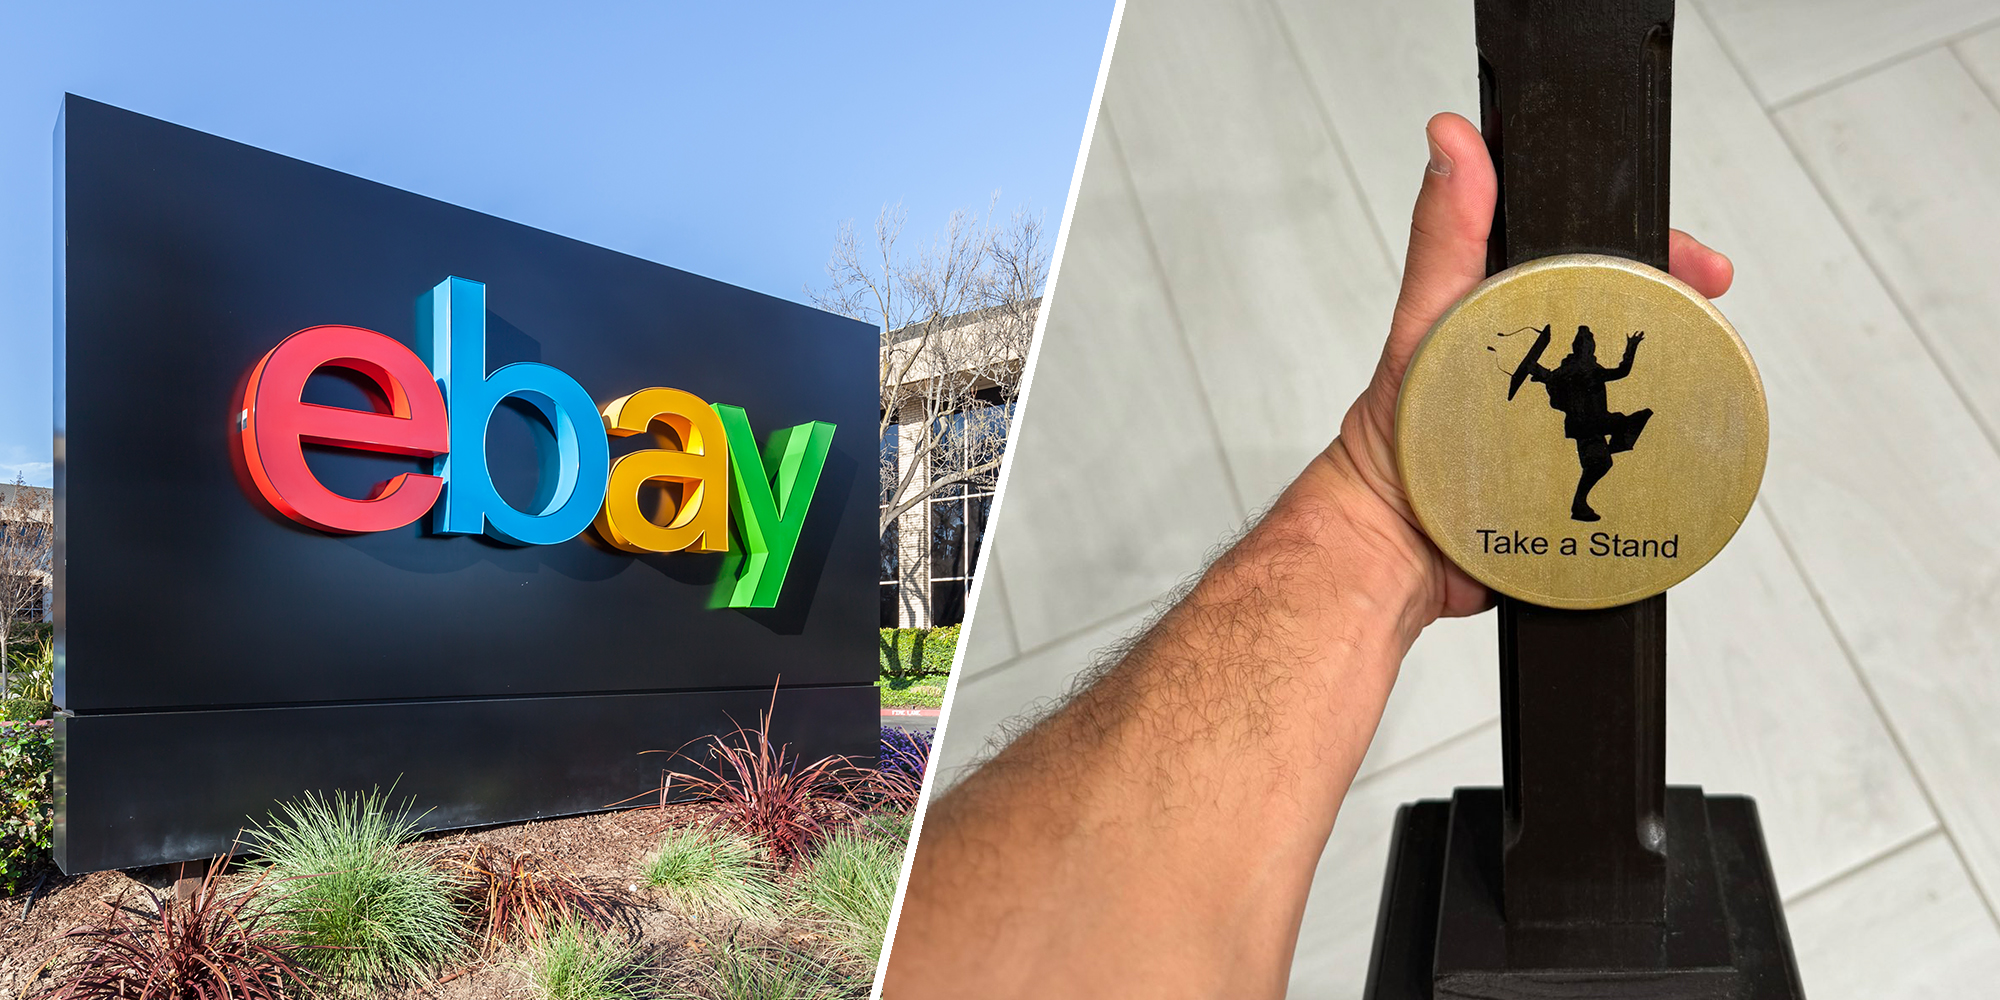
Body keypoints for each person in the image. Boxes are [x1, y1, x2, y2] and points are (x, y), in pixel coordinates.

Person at [880, 112, 1733, 998]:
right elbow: (1539, 372)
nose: (1590, 348)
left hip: (1558, 478)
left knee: (1606, 454)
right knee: (1595, 470)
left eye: (1593, 345)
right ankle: (1595, 477)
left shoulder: (1582, 369)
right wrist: (1382, 501)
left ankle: (1603, 469)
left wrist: (1374, 509)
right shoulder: (1563, 372)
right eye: (1591, 344)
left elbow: (1597, 366)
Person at [1513, 324, 1653, 521]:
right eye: (1585, 345)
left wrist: (1536, 371)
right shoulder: (1584, 370)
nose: (1588, 348)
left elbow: (1550, 378)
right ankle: (1579, 505)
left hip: (1590, 425)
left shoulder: (1577, 370)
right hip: (1589, 426)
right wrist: (1631, 348)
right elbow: (1622, 371)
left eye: (1589, 344)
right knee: (1601, 461)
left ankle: (1580, 503)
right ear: (1580, 348)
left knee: (1607, 453)